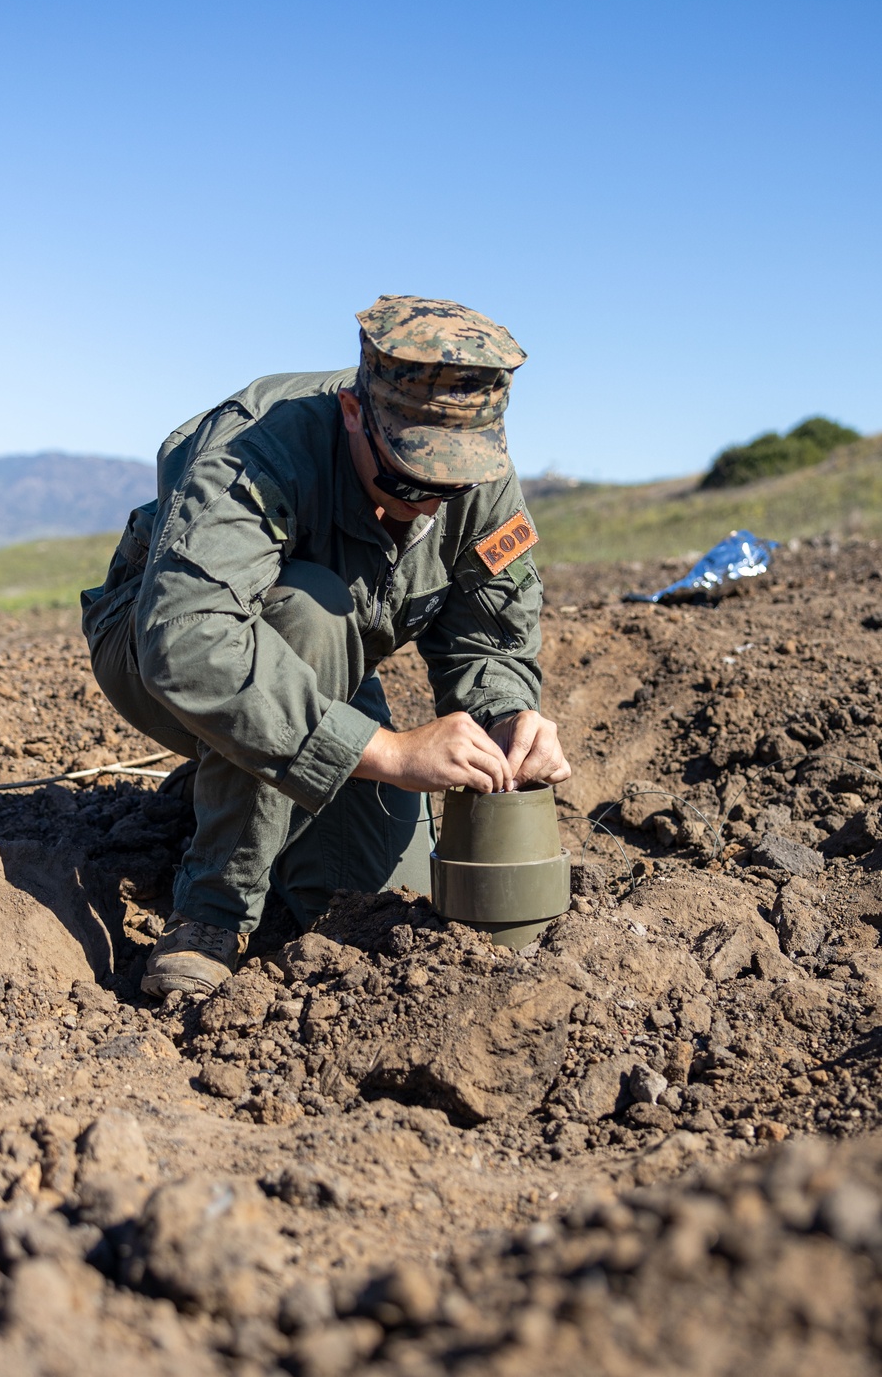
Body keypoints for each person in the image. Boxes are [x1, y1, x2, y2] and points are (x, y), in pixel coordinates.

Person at [81, 295, 570, 997]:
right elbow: (189, 640)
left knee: (364, 897)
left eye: (451, 483)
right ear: (353, 413)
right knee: (312, 608)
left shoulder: (478, 472)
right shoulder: (257, 446)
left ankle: (237, 783)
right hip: (155, 653)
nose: (429, 501)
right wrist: (392, 754)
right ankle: (211, 912)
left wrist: (507, 718)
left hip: (322, 674)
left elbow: (489, 636)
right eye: (408, 476)